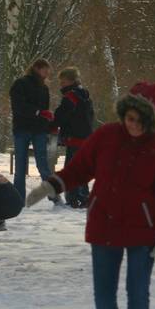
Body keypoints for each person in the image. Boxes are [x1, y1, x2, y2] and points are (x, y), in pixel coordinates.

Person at [26, 82, 155, 309]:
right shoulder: (106, 137)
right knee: (103, 295)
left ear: (152, 119)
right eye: (129, 118)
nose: (133, 125)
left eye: (141, 120)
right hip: (105, 226)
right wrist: (50, 185)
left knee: (137, 293)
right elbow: (79, 169)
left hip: (143, 232)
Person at [10, 59, 58, 204]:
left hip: (37, 129)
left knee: (40, 163)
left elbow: (43, 109)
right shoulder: (21, 84)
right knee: (23, 164)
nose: (47, 73)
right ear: (37, 68)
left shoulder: (44, 88)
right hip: (24, 128)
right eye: (45, 70)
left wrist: (48, 123)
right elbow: (18, 106)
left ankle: (52, 194)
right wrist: (38, 113)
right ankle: (20, 197)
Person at [53, 67, 94, 208]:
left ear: (71, 81)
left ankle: (73, 199)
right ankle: (83, 197)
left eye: (63, 82)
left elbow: (60, 116)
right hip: (86, 138)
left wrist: (51, 125)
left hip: (74, 138)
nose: (61, 85)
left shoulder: (70, 97)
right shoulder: (85, 96)